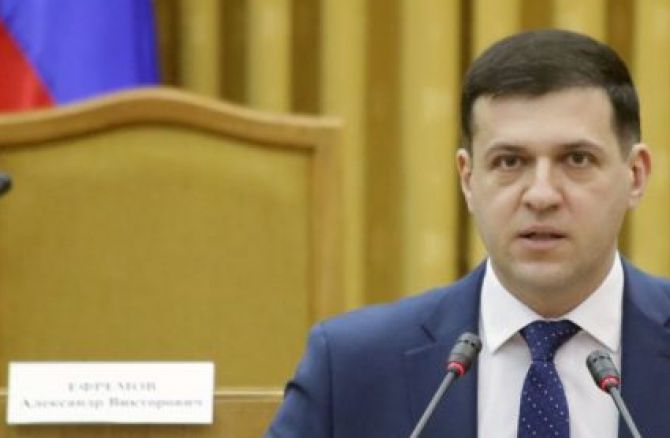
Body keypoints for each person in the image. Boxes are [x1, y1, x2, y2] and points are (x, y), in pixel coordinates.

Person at [268, 29, 670, 437]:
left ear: (635, 176)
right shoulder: (352, 365)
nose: (541, 195)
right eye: (510, 162)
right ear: (468, 179)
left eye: (577, 159)